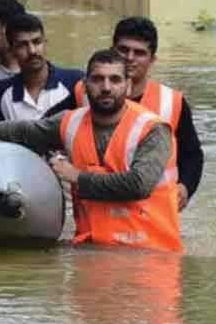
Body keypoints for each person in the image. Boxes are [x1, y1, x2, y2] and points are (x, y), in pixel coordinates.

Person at [0, 49, 183, 252]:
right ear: (85, 86)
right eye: (97, 79)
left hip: (151, 254)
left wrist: (76, 177)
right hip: (92, 251)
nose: (106, 87)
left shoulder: (152, 129)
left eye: (115, 80)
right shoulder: (71, 121)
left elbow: (138, 184)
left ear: (128, 87)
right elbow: (22, 131)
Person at [49, 17, 203, 209]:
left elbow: (192, 155)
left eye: (139, 53)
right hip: (96, 214)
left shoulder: (171, 102)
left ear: (152, 59)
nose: (129, 58)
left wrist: (186, 187)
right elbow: (47, 129)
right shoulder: (85, 91)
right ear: (112, 49)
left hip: (152, 218)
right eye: (123, 49)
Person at [0, 13, 82, 124]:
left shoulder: (75, 82)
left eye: (36, 42)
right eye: (23, 45)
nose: (32, 51)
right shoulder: (1, 91)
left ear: (45, 43)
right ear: (11, 50)